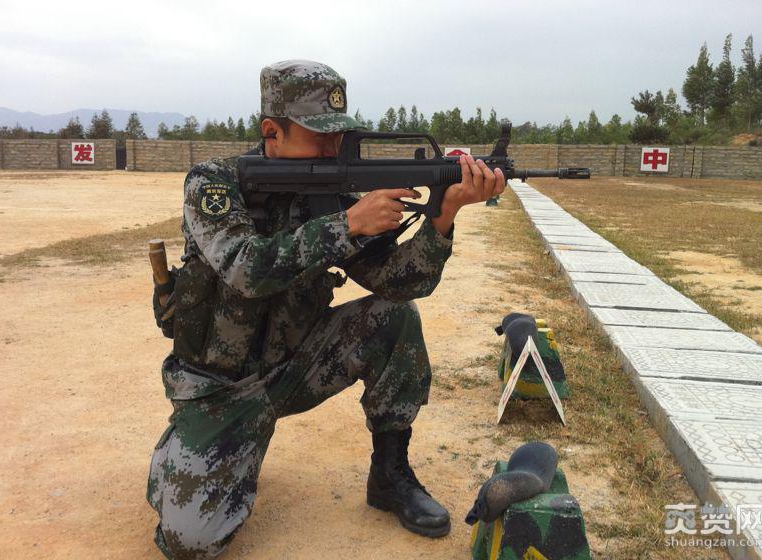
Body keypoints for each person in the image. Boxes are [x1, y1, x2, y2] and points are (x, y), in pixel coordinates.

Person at [147, 59, 506, 560]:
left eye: (338, 136)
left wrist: (444, 216)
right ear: (272, 131)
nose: (333, 149)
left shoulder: (336, 197)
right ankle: (186, 451)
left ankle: (389, 475)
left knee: (394, 318)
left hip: (297, 367)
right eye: (319, 137)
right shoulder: (214, 183)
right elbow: (245, 270)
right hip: (219, 389)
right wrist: (349, 224)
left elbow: (398, 284)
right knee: (190, 543)